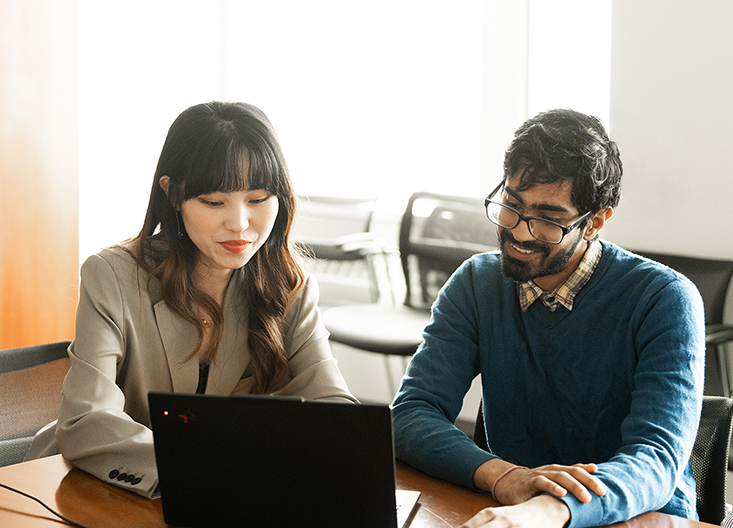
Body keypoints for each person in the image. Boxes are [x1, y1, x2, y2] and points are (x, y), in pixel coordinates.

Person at [26, 101, 358, 498]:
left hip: (229, 496)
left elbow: (336, 412)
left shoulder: (290, 286)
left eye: (257, 199)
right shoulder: (111, 275)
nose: (239, 224)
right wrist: (210, 469)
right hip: (105, 485)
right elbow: (86, 419)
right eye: (214, 202)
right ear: (173, 193)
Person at [391, 109, 705, 528]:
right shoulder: (476, 284)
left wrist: (551, 509)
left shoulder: (664, 299)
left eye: (548, 220)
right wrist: (505, 477)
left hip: (637, 518)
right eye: (512, 207)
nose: (521, 233)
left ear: (595, 221)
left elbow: (657, 459)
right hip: (509, 513)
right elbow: (411, 412)